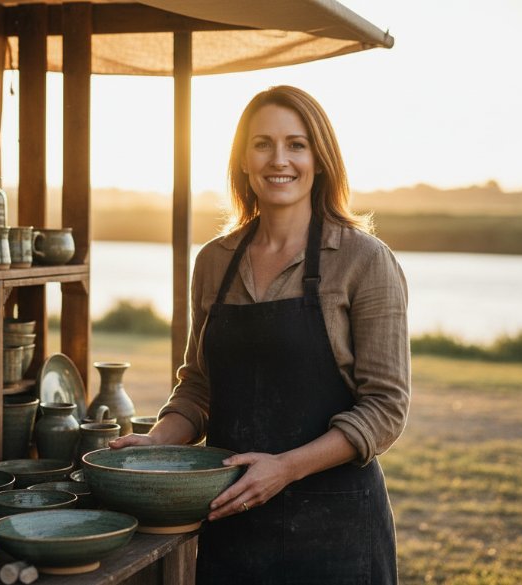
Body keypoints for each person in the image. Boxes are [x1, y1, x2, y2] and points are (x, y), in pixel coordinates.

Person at [109, 85, 410, 584]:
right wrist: (156, 443)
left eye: (297, 144)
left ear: (320, 158)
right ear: (243, 160)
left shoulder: (364, 260)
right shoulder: (214, 262)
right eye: (262, 143)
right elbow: (199, 386)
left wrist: (286, 468)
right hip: (233, 520)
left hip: (336, 529)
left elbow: (385, 408)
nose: (280, 159)